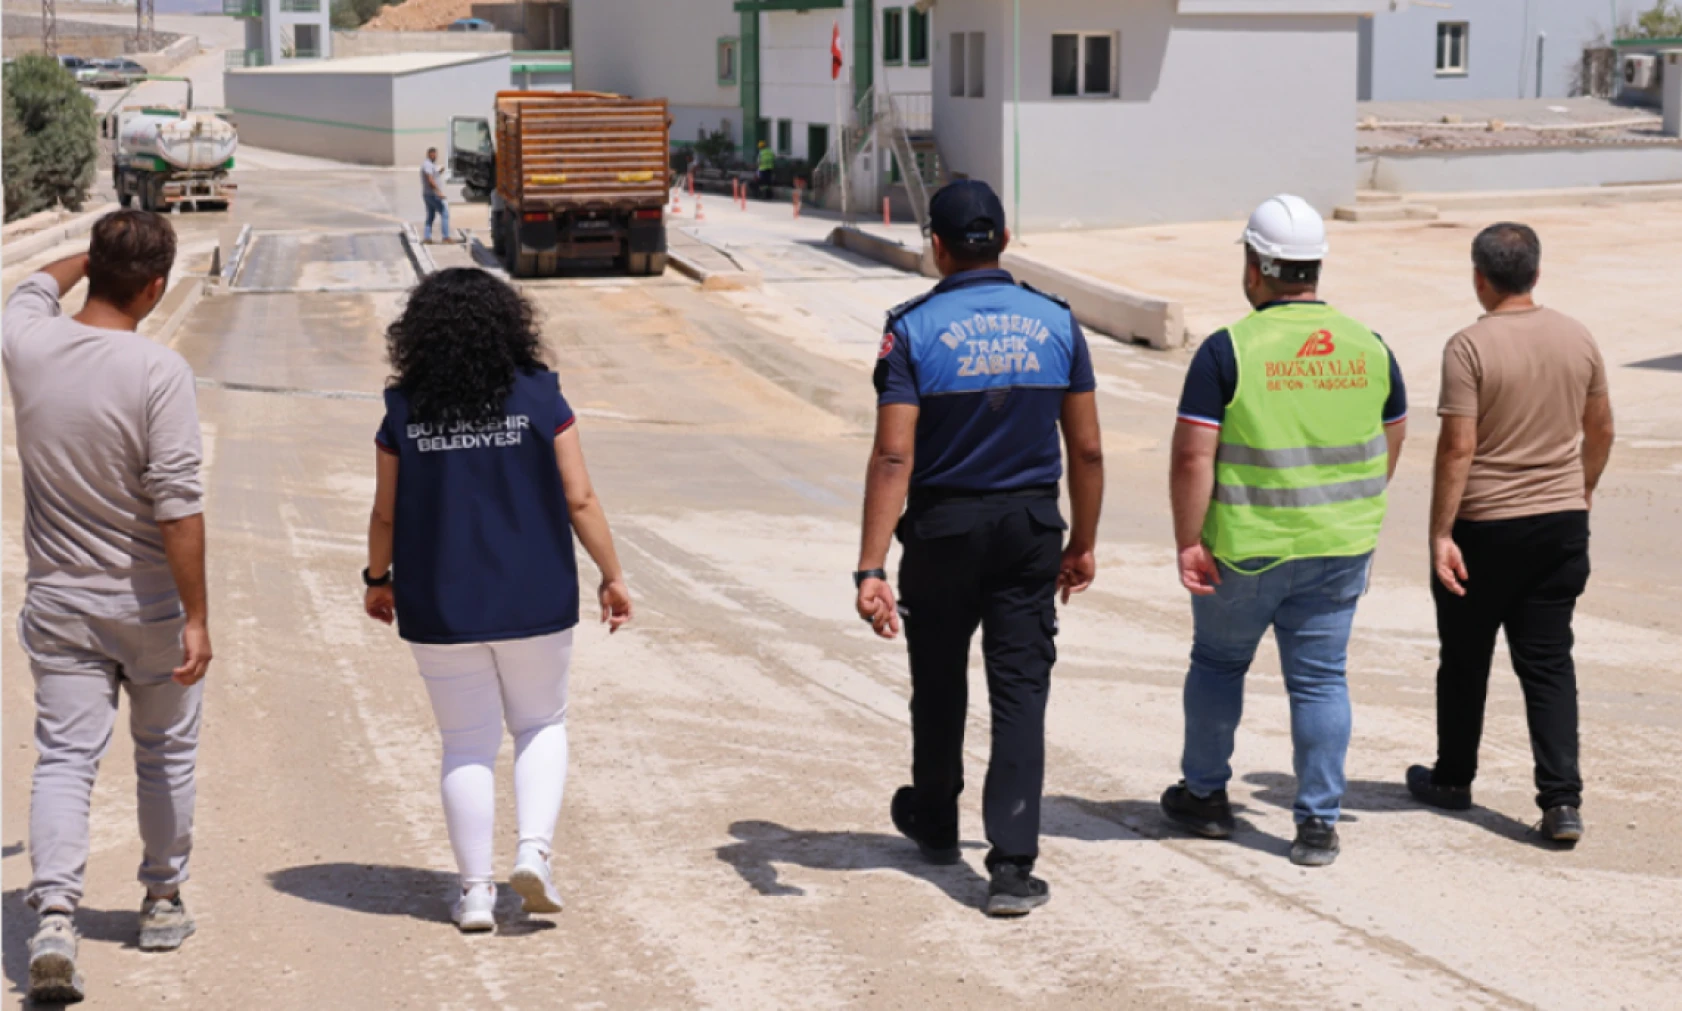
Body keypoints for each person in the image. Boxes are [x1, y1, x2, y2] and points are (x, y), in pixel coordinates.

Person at [855, 180, 1104, 918]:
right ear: (1004, 238)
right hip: (1030, 529)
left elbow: (893, 457)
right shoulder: (1057, 323)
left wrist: (871, 566)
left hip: (942, 531)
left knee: (938, 680)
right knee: (1020, 690)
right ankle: (1013, 864)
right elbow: (1086, 450)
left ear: (936, 244)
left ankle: (935, 819)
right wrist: (1082, 540)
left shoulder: (912, 330)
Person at [364, 267, 633, 933]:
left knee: (465, 744)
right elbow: (579, 497)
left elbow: (385, 515)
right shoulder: (542, 396)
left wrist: (377, 579)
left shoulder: (403, 408)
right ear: (509, 324)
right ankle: (534, 854)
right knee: (540, 723)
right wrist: (611, 572)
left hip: (439, 602)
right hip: (534, 594)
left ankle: (475, 893)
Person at [3, 211, 212, 1004]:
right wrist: (196, 614)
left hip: (60, 602)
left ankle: (55, 915)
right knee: (164, 754)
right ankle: (160, 900)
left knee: (64, 757)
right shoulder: (158, 372)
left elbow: (30, 286)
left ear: (92, 268)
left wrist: (84, 258)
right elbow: (178, 505)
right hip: (150, 605)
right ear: (156, 288)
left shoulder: (25, 343)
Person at [1162, 194, 1407, 868]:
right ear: (1315, 267)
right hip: (1338, 546)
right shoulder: (1370, 346)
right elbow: (1392, 436)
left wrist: (1189, 538)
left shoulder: (1228, 350)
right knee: (1322, 681)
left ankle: (1206, 797)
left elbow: (1192, 455)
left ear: (1255, 266)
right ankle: (1318, 824)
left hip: (1243, 550)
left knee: (1217, 664)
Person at [1406, 223, 1614, 845]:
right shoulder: (1578, 337)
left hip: (1485, 529)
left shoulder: (1467, 347)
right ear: (1536, 274)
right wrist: (1581, 491)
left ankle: (1453, 778)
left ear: (1479, 276)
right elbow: (1601, 429)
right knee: (1548, 663)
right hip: (1559, 526)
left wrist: (1441, 531)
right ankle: (1561, 802)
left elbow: (1458, 445)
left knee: (1465, 659)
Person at [421, 146, 452, 245]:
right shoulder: (428, 165)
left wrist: (440, 171)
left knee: (430, 215)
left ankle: (427, 238)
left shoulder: (430, 165)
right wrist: (439, 192)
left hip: (428, 195)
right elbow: (430, 180)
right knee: (444, 213)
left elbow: (433, 175)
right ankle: (446, 237)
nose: (435, 156)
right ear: (429, 154)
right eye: (433, 154)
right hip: (432, 195)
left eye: (435, 154)